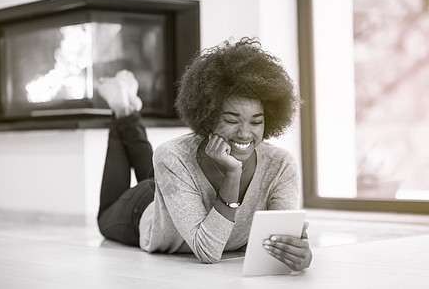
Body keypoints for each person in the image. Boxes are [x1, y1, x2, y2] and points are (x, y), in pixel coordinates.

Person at [96, 37, 312, 270]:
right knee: (106, 215)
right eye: (231, 120)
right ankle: (122, 109)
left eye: (256, 121)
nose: (245, 133)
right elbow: (208, 252)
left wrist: (301, 255)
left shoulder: (280, 165)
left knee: (161, 167)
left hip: (176, 186)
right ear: (208, 117)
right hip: (144, 210)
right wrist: (232, 175)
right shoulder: (173, 156)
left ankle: (128, 110)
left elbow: (279, 243)